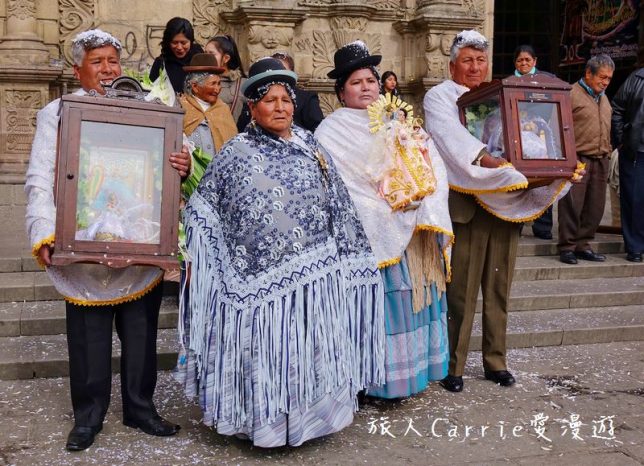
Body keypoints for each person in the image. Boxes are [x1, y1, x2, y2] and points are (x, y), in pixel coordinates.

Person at [175, 57, 385, 447]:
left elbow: (338, 203)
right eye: (269, 100)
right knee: (270, 356)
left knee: (310, 350)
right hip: (258, 292)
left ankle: (312, 424)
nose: (281, 107)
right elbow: (207, 210)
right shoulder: (236, 153)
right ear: (252, 107)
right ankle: (265, 427)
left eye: (285, 99)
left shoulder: (312, 144)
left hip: (316, 284)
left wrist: (347, 257)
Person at [25, 29, 189, 452]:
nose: (108, 69)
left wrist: (182, 163)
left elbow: (175, 152)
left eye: (113, 61)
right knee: (88, 338)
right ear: (78, 68)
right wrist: (43, 230)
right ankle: (88, 416)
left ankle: (140, 408)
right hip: (84, 244)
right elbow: (41, 176)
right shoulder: (57, 112)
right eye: (97, 62)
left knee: (141, 335)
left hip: (140, 240)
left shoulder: (149, 107)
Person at [423, 30, 572, 393]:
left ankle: (496, 361)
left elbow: (525, 137)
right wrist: (494, 163)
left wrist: (547, 162)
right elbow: (454, 142)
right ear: (452, 65)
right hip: (468, 205)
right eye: (467, 60)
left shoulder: (499, 96)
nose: (475, 67)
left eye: (481, 60)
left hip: (507, 201)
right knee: (460, 291)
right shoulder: (439, 96)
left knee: (499, 286)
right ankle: (452, 365)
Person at [315, 41, 454, 399]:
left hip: (412, 237)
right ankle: (372, 382)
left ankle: (411, 375)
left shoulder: (401, 121)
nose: (366, 87)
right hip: (371, 238)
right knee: (377, 310)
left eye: (371, 81)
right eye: (356, 82)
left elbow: (431, 160)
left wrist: (422, 197)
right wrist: (386, 207)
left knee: (411, 304)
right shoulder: (331, 130)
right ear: (341, 92)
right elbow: (342, 185)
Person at [558, 54, 614, 265]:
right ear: (588, 74)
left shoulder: (604, 97)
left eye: (609, 78)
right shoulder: (571, 93)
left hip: (601, 157)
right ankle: (567, 247)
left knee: (595, 206)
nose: (605, 82)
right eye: (602, 77)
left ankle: (584, 244)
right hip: (578, 157)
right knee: (573, 204)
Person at [513, 44, 555, 240]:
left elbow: (551, 104)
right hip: (517, 139)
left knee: (543, 181)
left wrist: (534, 120)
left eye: (527, 60)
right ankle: (517, 224)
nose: (524, 63)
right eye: (520, 60)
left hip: (540, 137)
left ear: (535, 61)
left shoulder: (547, 80)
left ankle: (543, 228)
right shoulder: (510, 81)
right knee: (519, 181)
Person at [611, 64, 644, 262]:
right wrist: (621, 141)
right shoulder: (636, 79)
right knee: (634, 199)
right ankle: (634, 247)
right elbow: (617, 109)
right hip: (636, 150)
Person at [180, 53, 238, 159]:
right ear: (195, 87)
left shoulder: (223, 109)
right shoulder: (180, 107)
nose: (218, 89)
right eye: (213, 84)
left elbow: (233, 146)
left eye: (219, 83)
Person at [149, 17, 203, 95]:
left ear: (191, 41)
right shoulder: (161, 63)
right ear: (168, 42)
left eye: (183, 43)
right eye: (174, 43)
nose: (179, 47)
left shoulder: (200, 61)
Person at [204, 35, 247, 125]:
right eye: (205, 53)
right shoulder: (199, 81)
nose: (206, 58)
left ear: (226, 58)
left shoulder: (243, 84)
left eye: (211, 54)